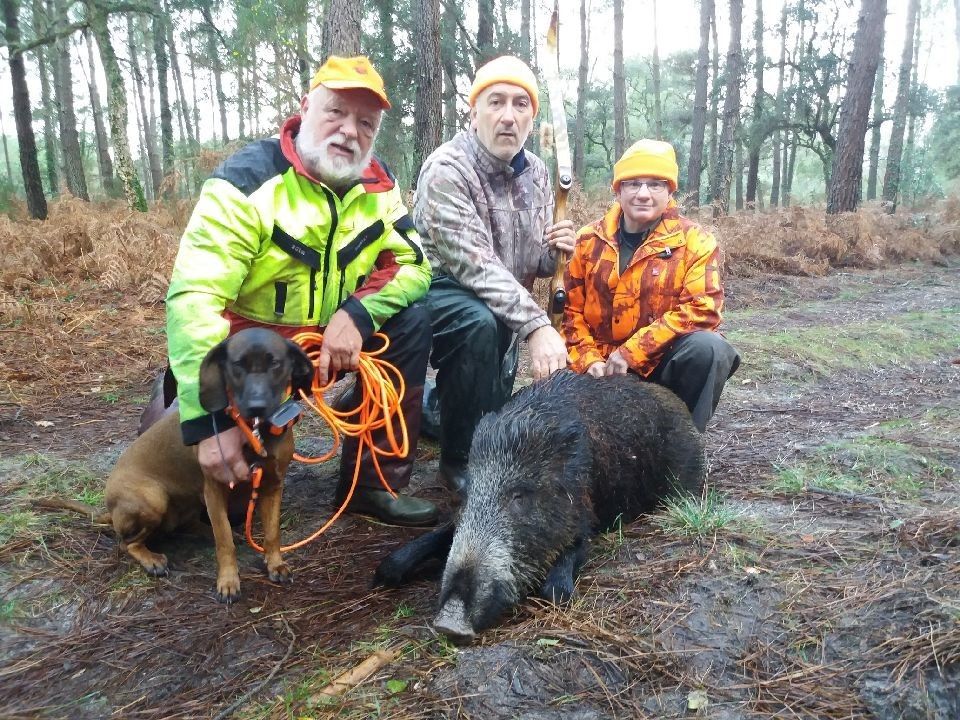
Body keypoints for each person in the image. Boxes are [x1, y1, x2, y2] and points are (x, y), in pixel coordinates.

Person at [164, 56, 438, 526]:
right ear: (306, 107)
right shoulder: (246, 182)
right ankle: (178, 402)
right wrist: (207, 422)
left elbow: (413, 264)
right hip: (248, 359)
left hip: (328, 351)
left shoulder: (380, 184)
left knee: (414, 319)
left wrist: (355, 314)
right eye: (336, 112)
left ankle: (374, 484)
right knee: (199, 495)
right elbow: (196, 299)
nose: (350, 131)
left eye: (366, 123)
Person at [413, 55, 577, 492]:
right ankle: (459, 463)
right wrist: (537, 327)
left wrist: (557, 251)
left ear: (531, 117)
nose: (508, 116)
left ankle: (411, 408)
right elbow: (476, 265)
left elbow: (533, 263)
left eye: (521, 104)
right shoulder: (447, 169)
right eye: (496, 102)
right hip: (443, 293)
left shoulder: (538, 173)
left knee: (489, 405)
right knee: (478, 322)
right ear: (474, 110)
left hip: (504, 299)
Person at [562, 139, 740, 432]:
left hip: (660, 366)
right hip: (598, 369)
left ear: (670, 190)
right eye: (632, 183)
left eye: (656, 184)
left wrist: (631, 353)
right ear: (618, 190)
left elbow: (703, 309)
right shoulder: (586, 241)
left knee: (709, 348)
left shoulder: (696, 241)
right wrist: (588, 360)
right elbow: (568, 313)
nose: (643, 194)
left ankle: (681, 450)